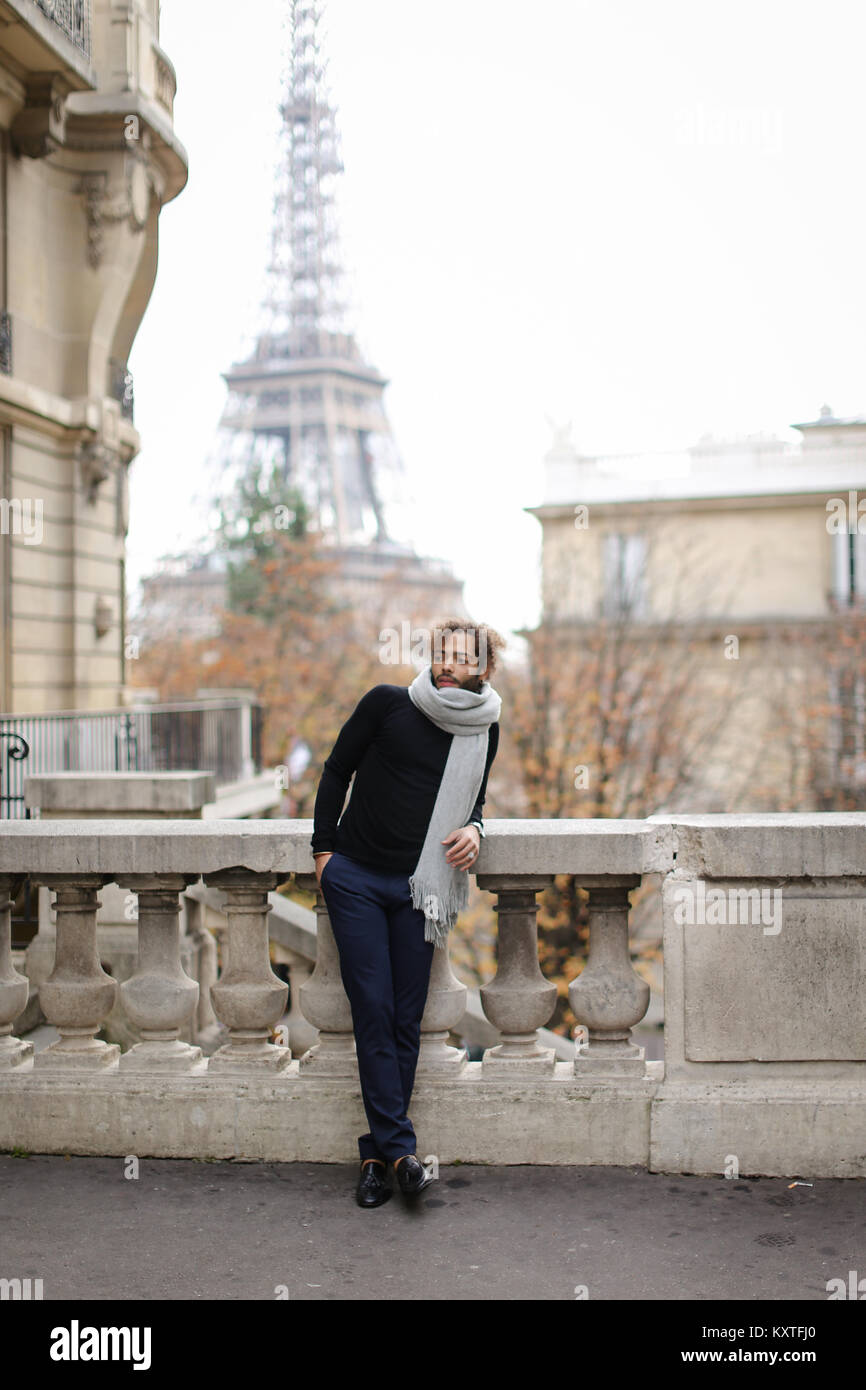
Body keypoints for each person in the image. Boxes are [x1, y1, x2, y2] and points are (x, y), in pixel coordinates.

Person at [311, 619, 503, 1207]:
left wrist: (475, 828)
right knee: (371, 1006)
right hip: (359, 880)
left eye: (462, 660)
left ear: (484, 669)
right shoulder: (388, 704)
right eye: (441, 655)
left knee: (404, 1017)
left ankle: (377, 1158)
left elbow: (474, 801)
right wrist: (324, 855)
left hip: (421, 887)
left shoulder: (484, 729)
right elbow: (335, 770)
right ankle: (404, 1153)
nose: (448, 666)